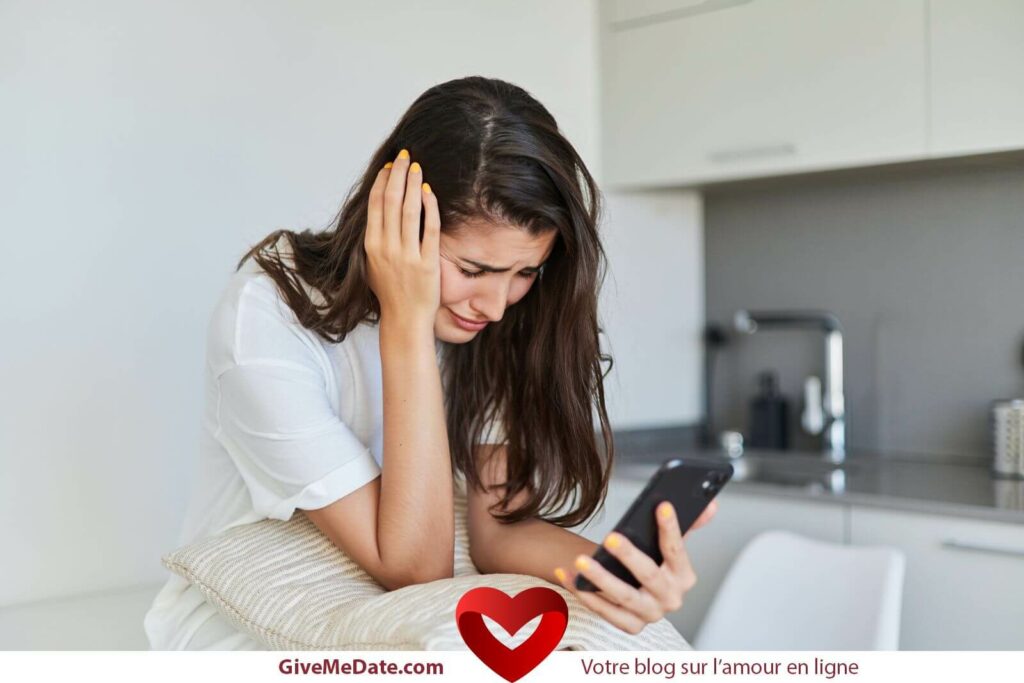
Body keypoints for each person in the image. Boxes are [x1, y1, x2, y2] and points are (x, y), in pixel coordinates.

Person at [143, 76, 717, 650]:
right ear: (396, 222)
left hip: (403, 608)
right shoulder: (269, 315)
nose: (495, 306)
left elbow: (497, 532)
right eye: (472, 270)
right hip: (244, 621)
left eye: (524, 273)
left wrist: (609, 572)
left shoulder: (494, 324)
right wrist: (406, 323)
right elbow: (416, 568)